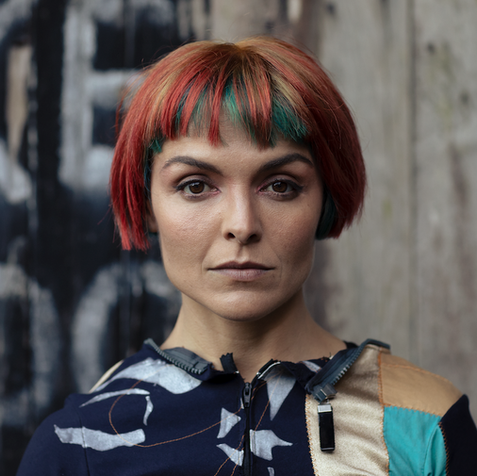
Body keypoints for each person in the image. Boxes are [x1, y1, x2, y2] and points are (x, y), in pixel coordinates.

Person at [17, 36, 476, 475]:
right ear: (147, 203)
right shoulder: (79, 446)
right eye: (195, 186)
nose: (242, 224)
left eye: (280, 186)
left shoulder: (425, 425)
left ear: (326, 201)